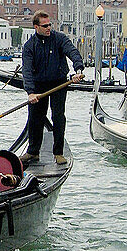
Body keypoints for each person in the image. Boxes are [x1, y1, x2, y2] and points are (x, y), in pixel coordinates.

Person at [21, 11, 85, 164]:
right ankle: (33, 152)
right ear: (36, 27)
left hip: (58, 83)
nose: (49, 27)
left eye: (50, 24)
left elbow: (73, 52)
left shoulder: (59, 39)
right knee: (35, 118)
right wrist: (30, 92)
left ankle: (58, 152)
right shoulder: (29, 46)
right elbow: (27, 71)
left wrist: (79, 70)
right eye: (45, 26)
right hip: (38, 86)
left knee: (58, 116)